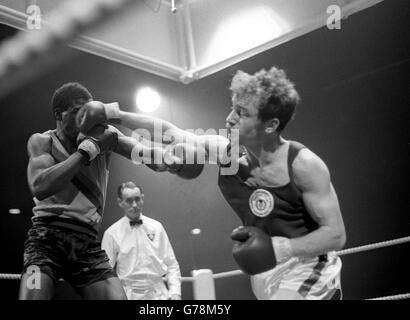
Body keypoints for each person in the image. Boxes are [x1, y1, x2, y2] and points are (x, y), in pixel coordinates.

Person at [89, 66, 347, 300]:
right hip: (265, 270)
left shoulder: (302, 165)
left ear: (270, 125)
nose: (231, 118)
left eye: (243, 113)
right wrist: (115, 114)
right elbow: (170, 132)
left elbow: (336, 234)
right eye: (233, 108)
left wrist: (286, 247)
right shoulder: (228, 153)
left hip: (308, 266)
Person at [19, 82, 164, 300]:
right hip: (45, 240)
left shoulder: (105, 135)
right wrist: (87, 151)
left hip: (87, 245)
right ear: (60, 114)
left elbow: (145, 155)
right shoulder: (43, 141)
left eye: (89, 112)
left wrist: (173, 158)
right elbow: (40, 186)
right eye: (78, 112)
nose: (85, 120)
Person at [101, 181, 182, 300]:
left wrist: (175, 293)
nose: (134, 205)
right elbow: (105, 272)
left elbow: (172, 264)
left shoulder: (156, 227)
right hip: (128, 295)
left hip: (159, 294)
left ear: (142, 198)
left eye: (137, 199)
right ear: (120, 202)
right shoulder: (112, 233)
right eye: (129, 200)